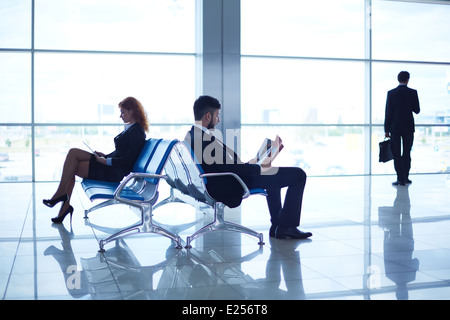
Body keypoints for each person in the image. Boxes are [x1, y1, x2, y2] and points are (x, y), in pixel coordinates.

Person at [185, 95, 312, 239]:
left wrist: (251, 164)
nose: (218, 119)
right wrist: (259, 168)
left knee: (273, 176)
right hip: (232, 183)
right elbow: (230, 167)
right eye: (217, 115)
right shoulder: (205, 140)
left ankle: (278, 225)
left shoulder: (192, 135)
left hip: (224, 178)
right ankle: (287, 227)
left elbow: (224, 164)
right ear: (208, 116)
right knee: (298, 175)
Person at [43, 97, 149, 223]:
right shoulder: (132, 129)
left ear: (132, 111)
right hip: (111, 167)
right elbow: (121, 153)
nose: (120, 116)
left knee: (73, 156)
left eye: (123, 112)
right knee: (72, 161)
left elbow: (128, 160)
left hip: (113, 172)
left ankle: (61, 197)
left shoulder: (137, 131)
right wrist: (105, 156)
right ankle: (63, 204)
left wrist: (106, 161)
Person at [384, 71, 420, 186]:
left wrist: (386, 129)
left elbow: (388, 113)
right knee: (406, 153)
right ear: (407, 79)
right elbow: (417, 110)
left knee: (396, 154)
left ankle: (400, 179)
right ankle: (406, 177)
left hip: (395, 128)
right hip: (408, 127)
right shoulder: (413, 93)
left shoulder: (391, 93)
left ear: (398, 79)